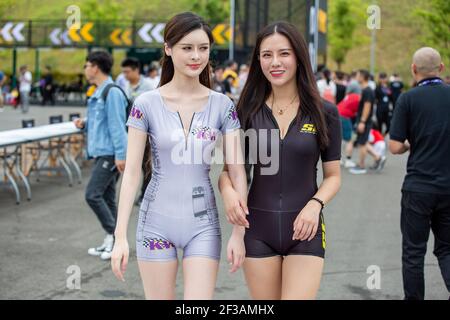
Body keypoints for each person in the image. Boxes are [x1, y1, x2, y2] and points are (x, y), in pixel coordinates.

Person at [110, 12, 247, 300]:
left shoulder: (223, 106)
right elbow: (133, 171)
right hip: (155, 224)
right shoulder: (145, 104)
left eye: (203, 48)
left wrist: (239, 233)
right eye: (187, 48)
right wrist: (119, 236)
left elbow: (236, 171)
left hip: (203, 226)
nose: (196, 56)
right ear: (168, 49)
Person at [219, 21, 342, 299]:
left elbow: (333, 176)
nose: (275, 62)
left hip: (305, 229)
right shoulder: (245, 111)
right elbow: (230, 171)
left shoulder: (325, 113)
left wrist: (315, 204)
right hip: (257, 230)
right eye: (266, 55)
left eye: (284, 53)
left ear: (299, 56)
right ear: (258, 60)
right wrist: (227, 192)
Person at [389, 47, 450, 300]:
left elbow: (394, 146)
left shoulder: (408, 99)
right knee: (447, 249)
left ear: (414, 70)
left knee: (413, 252)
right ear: (442, 68)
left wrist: (409, 145)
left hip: (418, 187)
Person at [73, 50, 128, 260]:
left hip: (111, 154)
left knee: (92, 194)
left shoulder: (111, 92)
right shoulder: (99, 91)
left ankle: (116, 238)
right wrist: (84, 124)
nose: (86, 69)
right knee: (107, 197)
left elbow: (116, 125)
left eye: (87, 65)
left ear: (95, 66)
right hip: (103, 153)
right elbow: (102, 121)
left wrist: (121, 155)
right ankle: (112, 240)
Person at [349, 69, 375, 175]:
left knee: (362, 144)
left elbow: (367, 106)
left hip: (364, 121)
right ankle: (376, 158)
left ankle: (361, 165)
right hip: (362, 120)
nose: (357, 77)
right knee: (361, 142)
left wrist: (362, 121)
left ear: (363, 77)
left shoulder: (367, 91)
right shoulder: (365, 90)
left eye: (359, 75)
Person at [337, 81, 360, 168]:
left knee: (340, 139)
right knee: (350, 140)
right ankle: (348, 160)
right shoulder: (358, 98)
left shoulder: (349, 96)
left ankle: (338, 160)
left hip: (336, 114)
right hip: (344, 116)